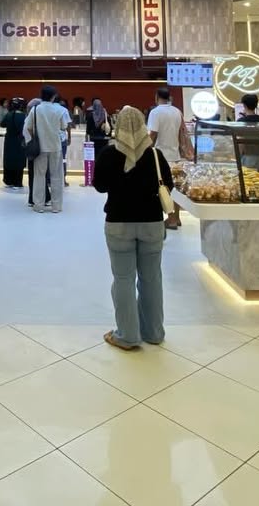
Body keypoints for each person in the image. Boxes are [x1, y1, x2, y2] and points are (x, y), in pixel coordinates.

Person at [93, 105, 168, 351]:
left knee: (123, 279)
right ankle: (154, 332)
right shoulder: (155, 155)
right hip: (152, 224)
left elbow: (100, 186)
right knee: (152, 279)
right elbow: (169, 186)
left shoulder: (108, 154)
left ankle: (127, 335)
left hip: (119, 224)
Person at [26, 86, 70, 213]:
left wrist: (36, 135)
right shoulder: (60, 110)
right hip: (55, 146)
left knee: (39, 176)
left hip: (40, 147)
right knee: (56, 176)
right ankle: (56, 206)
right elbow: (63, 127)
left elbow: (28, 127)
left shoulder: (35, 110)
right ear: (53, 96)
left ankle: (39, 205)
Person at [147, 88, 185, 229]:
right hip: (175, 155)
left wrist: (145, 150)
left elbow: (153, 135)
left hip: (160, 156)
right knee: (174, 187)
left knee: (162, 189)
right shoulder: (176, 111)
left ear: (156, 96)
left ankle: (171, 219)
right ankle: (177, 218)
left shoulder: (155, 112)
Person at [0, 98, 27, 188]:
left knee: (9, 160)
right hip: (19, 141)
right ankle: (18, 182)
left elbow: (2, 124)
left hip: (9, 141)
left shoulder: (9, 115)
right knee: (19, 161)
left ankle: (9, 180)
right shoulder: (23, 116)